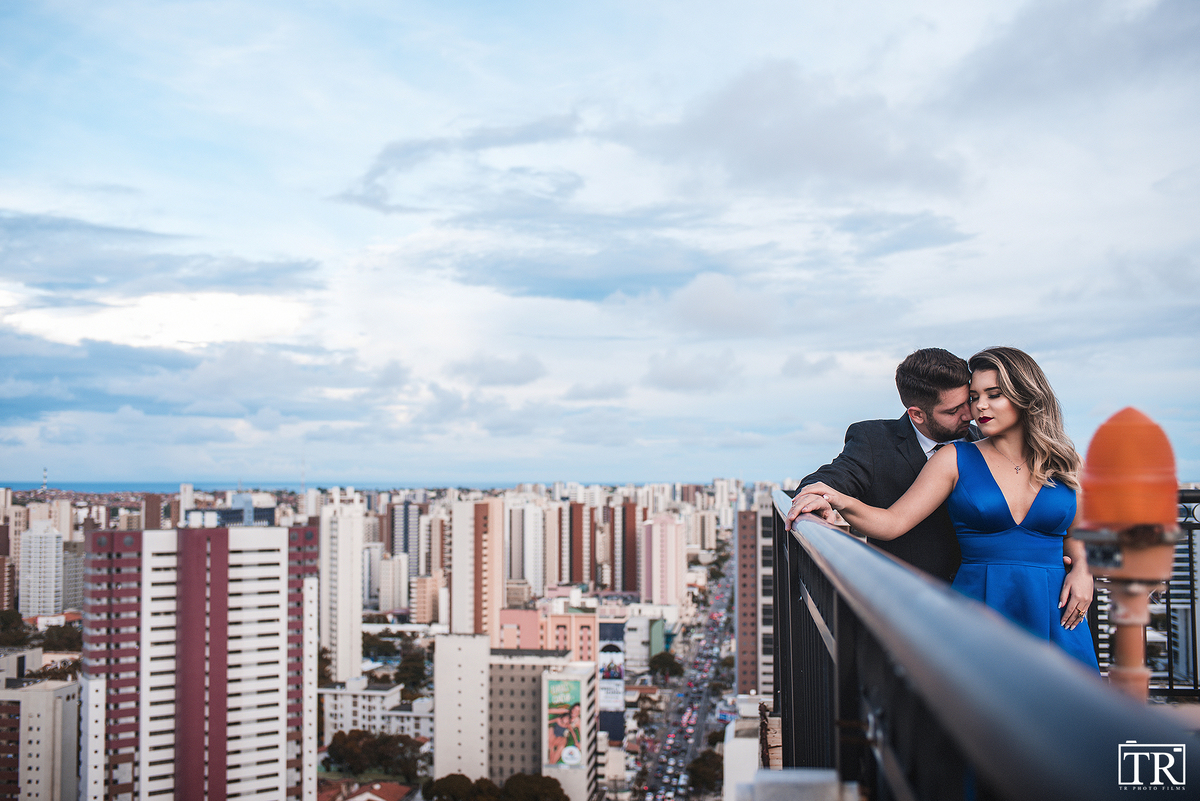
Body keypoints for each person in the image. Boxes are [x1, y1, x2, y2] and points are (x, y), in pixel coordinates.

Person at [792, 347, 1098, 670]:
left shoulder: (1067, 461)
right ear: (917, 414)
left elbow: (1078, 530)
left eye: (991, 395)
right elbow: (891, 520)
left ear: (1025, 395)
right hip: (972, 605)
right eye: (973, 397)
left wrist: (1083, 569)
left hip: (1056, 608)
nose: (976, 408)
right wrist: (833, 498)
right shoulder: (950, 456)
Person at [791, 348, 976, 583]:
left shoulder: (985, 441)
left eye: (968, 401)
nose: (969, 414)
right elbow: (829, 479)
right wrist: (817, 498)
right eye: (953, 410)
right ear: (917, 414)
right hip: (901, 600)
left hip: (981, 599)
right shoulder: (874, 441)